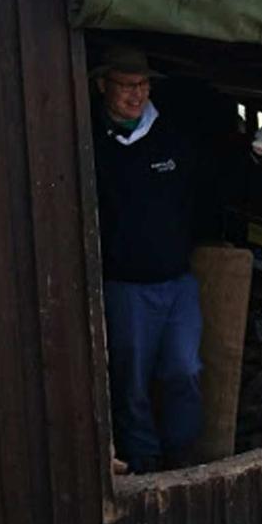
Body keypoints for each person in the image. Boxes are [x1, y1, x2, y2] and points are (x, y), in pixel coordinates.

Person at [91, 45, 203, 474]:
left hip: (178, 282)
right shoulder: (92, 144)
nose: (136, 94)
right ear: (103, 85)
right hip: (125, 286)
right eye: (125, 85)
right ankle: (143, 459)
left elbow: (211, 187)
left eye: (142, 85)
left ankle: (183, 455)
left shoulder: (171, 138)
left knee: (185, 368)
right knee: (130, 377)